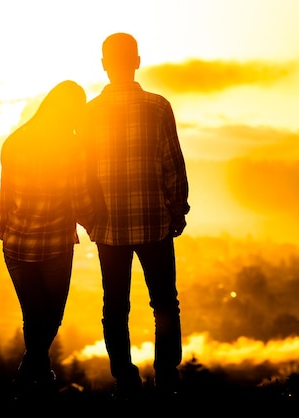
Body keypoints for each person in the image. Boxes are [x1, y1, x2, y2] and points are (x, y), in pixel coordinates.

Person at [82, 33, 190, 400]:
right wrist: (178, 211)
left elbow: (81, 173)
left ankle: (125, 381)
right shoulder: (158, 106)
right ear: (138, 61)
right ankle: (166, 376)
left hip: (109, 227)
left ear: (104, 65)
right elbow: (172, 163)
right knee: (164, 302)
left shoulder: (90, 112)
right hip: (155, 220)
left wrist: (90, 219)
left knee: (115, 306)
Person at [0, 80, 95, 400]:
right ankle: (31, 372)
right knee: (50, 315)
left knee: (34, 315)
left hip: (16, 244)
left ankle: (35, 374)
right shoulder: (72, 145)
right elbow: (81, 200)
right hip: (53, 244)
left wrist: (5, 229)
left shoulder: (15, 140)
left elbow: (5, 195)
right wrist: (96, 225)